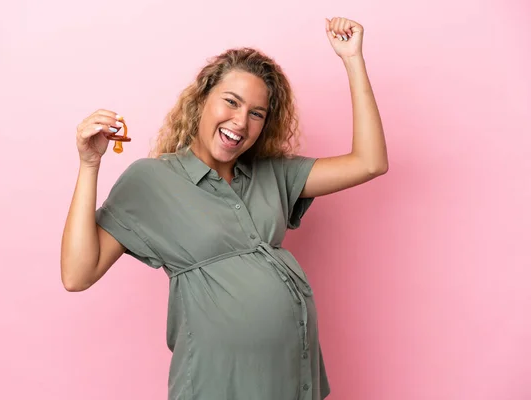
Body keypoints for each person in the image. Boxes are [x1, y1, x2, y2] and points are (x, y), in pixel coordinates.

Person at [61, 16, 387, 400]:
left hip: (288, 379)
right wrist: (89, 165)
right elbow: (77, 275)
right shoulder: (151, 180)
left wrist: (352, 59)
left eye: (256, 113)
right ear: (202, 100)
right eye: (231, 102)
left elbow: (370, 162)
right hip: (214, 383)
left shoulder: (274, 175)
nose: (240, 121)